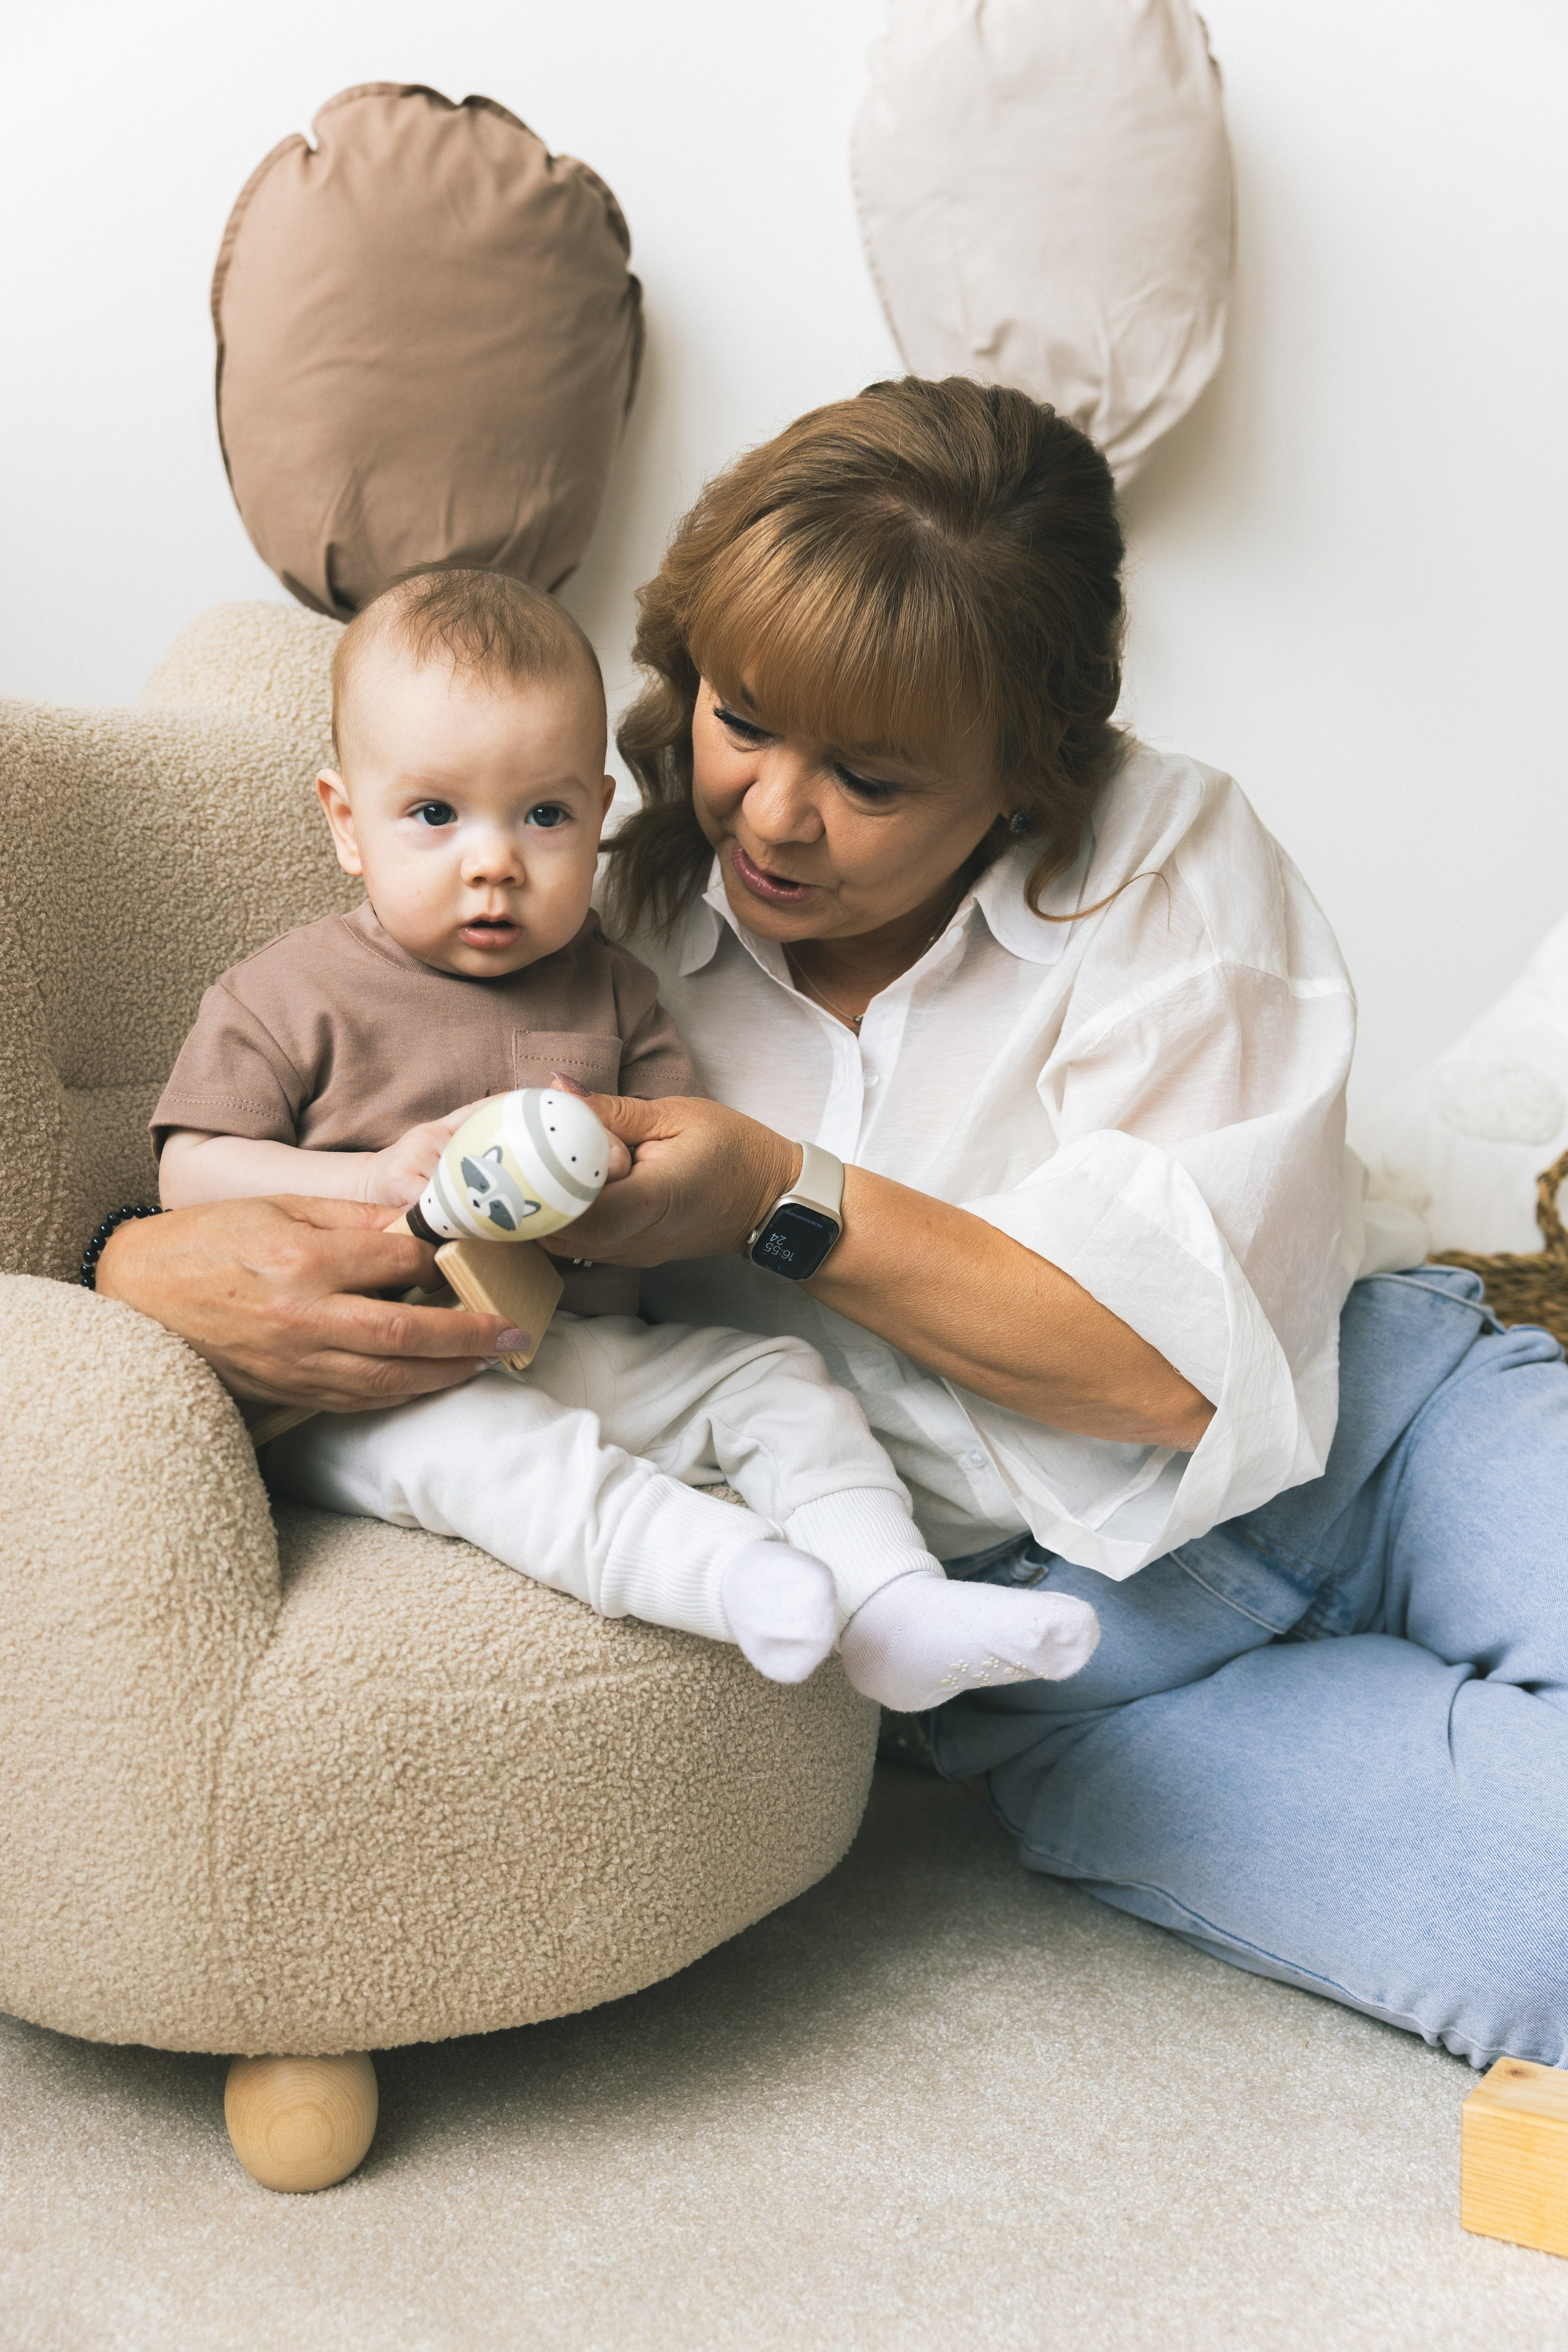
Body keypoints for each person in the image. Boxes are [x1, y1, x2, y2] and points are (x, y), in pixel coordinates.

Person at [99, 376, 1568, 2070]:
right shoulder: (599, 914)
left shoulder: (1162, 856)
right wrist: (147, 1262)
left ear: (1025, 776)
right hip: (1089, 1663)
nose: (773, 817)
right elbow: (319, 1149)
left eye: (870, 778)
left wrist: (779, 1196)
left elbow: (1163, 1369)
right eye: (741, 720)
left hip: (1383, 1445)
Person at [151, 562, 1099, 1707]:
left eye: (542, 814)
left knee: (775, 1379)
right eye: (434, 815)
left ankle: (894, 1599)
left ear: (599, 818)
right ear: (348, 825)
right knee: (498, 1459)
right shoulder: (288, 992)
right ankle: (726, 1574)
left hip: (570, 1344)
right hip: (371, 1381)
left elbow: (673, 1164)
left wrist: (605, 1179)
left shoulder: (615, 991)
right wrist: (366, 1175)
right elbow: (186, 1175)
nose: (493, 859)